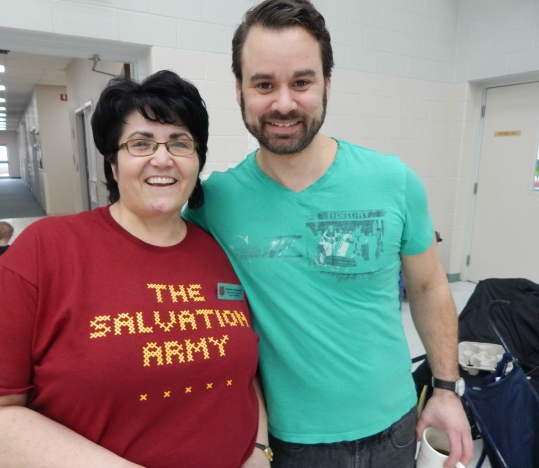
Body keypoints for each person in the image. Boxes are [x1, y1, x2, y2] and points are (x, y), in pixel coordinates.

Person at [183, 1, 474, 467]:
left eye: (301, 81)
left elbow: (428, 284)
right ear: (238, 91)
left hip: (395, 427)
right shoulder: (213, 204)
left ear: (327, 85)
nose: (283, 102)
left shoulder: (392, 180)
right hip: (287, 442)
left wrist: (445, 388)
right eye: (263, 84)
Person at [0, 70, 270, 468]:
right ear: (113, 164)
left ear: (197, 159)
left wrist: (257, 450)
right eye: (141, 143)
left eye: (180, 143)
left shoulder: (218, 250)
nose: (163, 157)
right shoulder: (45, 250)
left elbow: (245, 369)